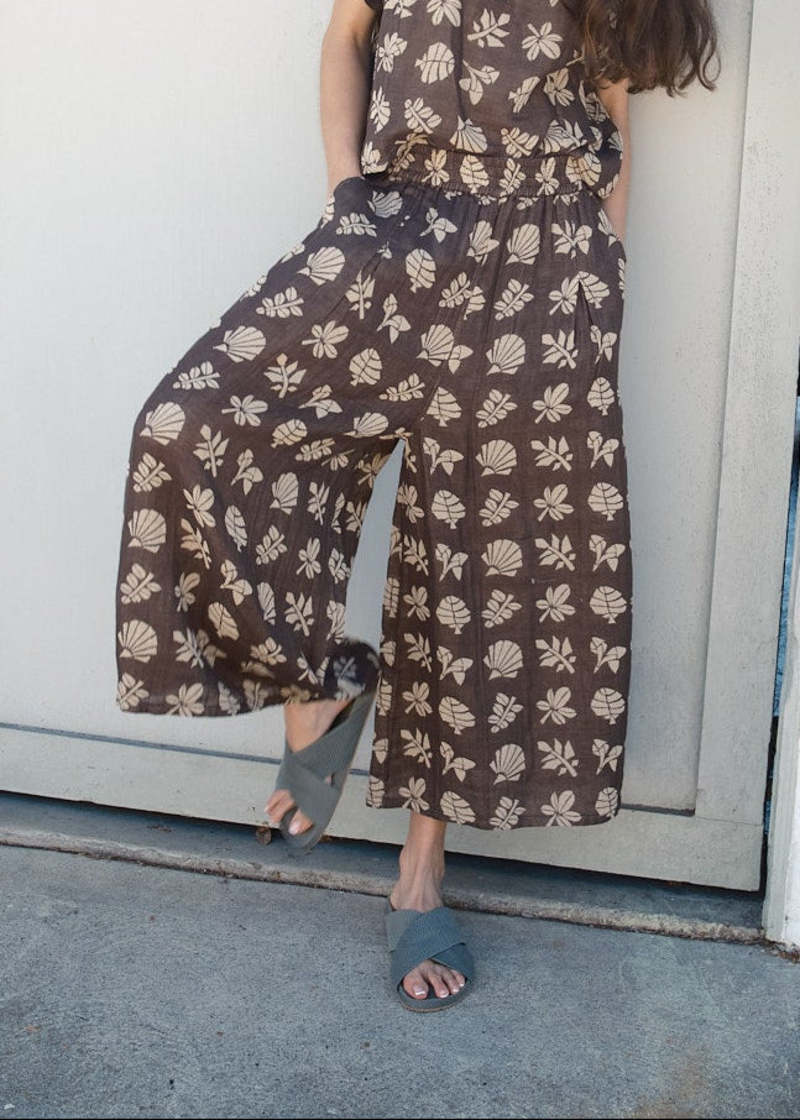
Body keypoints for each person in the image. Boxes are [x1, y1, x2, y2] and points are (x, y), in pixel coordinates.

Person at [114, 0, 719, 1010]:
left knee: (475, 563)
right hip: (396, 228)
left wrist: (606, 270)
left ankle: (420, 874)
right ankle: (316, 683)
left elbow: (614, 100)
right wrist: (345, 192)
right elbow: (347, 36)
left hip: (548, 265)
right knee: (189, 423)